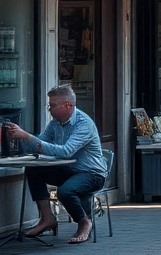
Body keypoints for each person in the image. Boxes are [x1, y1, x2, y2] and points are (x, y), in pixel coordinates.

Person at [6, 84, 107, 244]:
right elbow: (40, 143)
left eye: (52, 105)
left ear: (67, 105)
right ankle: (47, 218)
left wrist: (27, 136)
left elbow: (66, 151)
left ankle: (84, 221)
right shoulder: (55, 124)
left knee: (65, 191)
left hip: (91, 173)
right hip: (68, 170)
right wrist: (17, 137)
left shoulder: (83, 124)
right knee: (33, 170)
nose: (49, 109)